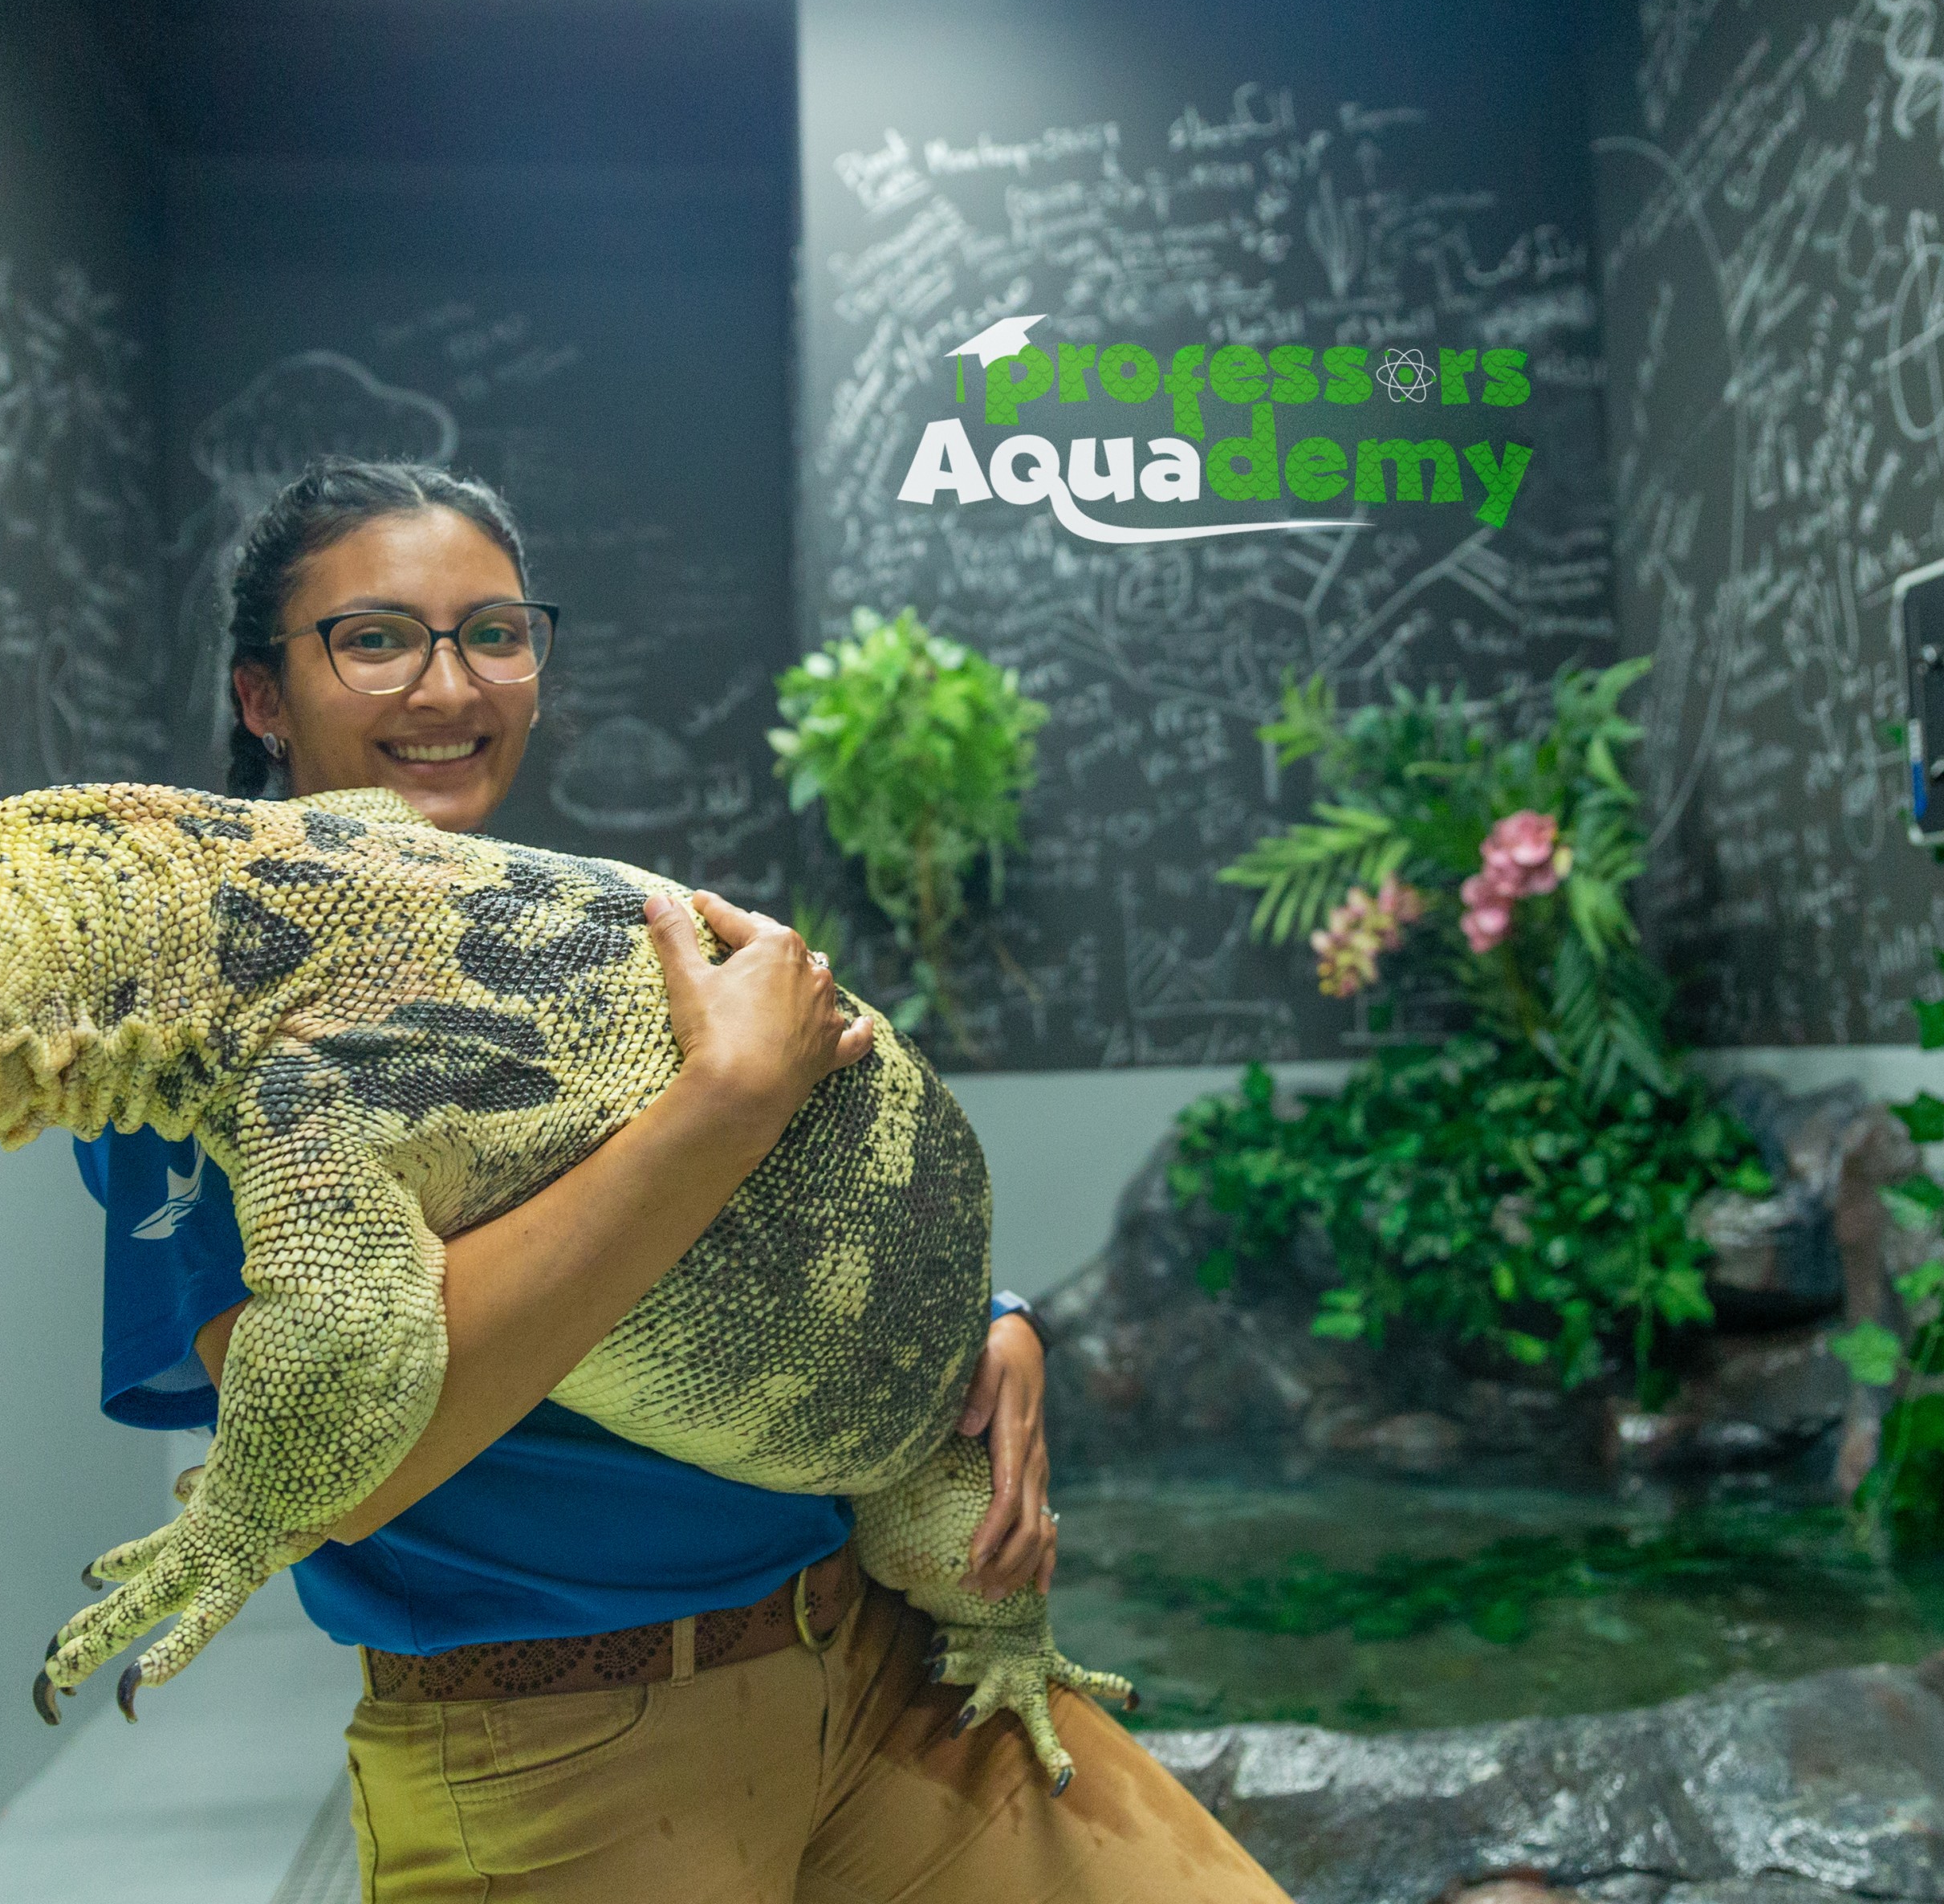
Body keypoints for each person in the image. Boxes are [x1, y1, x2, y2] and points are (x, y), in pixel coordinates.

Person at [76, 458, 1288, 1902]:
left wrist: (992, 1324)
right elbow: (341, 1477)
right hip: (565, 1758)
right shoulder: (184, 1044)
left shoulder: (587, 925)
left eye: (496, 633)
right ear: (263, 698)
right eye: (377, 638)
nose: (448, 687)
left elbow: (801, 1211)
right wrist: (718, 1104)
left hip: (887, 1663)